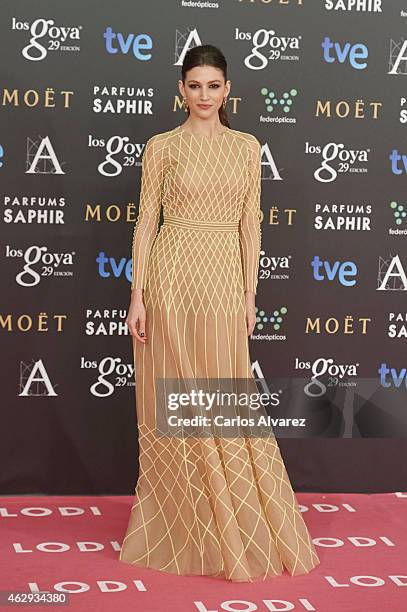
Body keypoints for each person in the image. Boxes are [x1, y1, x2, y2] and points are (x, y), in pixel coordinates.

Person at [119, 44, 320, 582]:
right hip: (171, 277)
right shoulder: (160, 146)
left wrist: (251, 296)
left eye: (213, 85)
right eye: (194, 85)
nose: (204, 95)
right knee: (172, 399)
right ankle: (184, 522)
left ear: (228, 89)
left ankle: (230, 522)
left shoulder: (247, 147)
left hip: (223, 280)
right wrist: (138, 295)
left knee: (223, 398)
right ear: (180, 91)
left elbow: (251, 225)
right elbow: (145, 224)